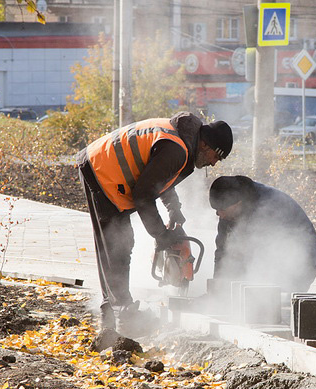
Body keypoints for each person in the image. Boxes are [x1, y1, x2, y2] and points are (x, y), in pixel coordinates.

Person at [78, 113, 233, 330]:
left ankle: (117, 309)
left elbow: (160, 180)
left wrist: (174, 211)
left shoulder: (182, 144)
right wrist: (160, 234)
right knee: (116, 245)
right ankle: (120, 313)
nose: (214, 163)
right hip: (101, 168)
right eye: (217, 156)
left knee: (121, 243)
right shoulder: (177, 149)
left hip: (112, 172)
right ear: (206, 144)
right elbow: (143, 194)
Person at [208, 175, 316, 293]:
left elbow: (265, 254)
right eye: (216, 210)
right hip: (268, 257)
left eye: (222, 210)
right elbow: (223, 250)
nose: (219, 214)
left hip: (302, 259)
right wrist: (218, 285)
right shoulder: (228, 214)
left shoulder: (270, 206)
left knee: (272, 301)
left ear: (237, 203)